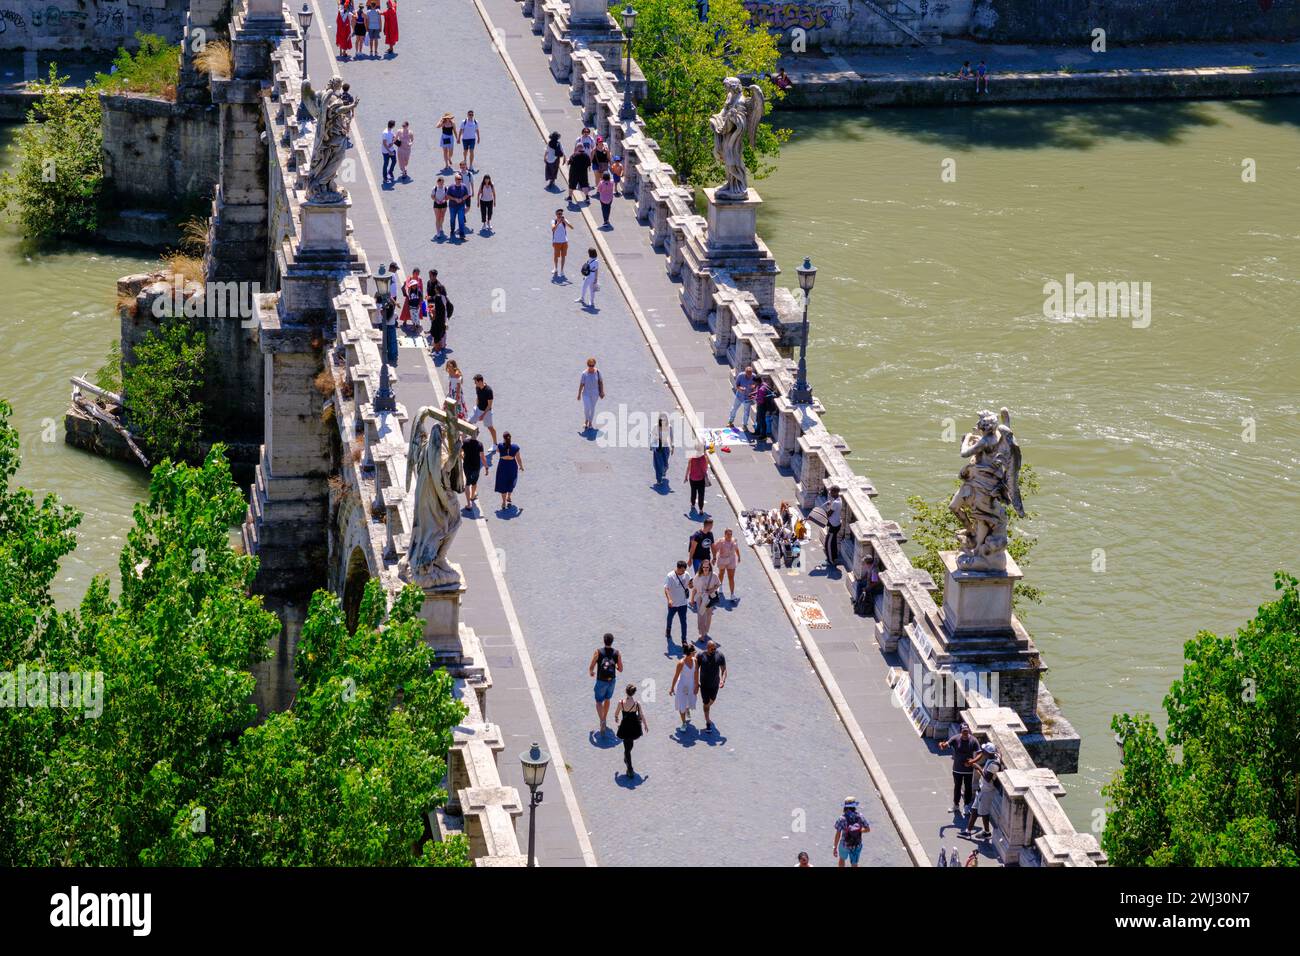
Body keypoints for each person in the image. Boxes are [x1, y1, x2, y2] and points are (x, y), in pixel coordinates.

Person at [938, 724, 981, 814]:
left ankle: (966, 806)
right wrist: (942, 745)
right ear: (960, 731)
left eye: (967, 731)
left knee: (968, 788)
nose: (965, 733)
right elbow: (946, 745)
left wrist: (972, 761)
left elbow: (980, 753)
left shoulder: (973, 740)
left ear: (969, 730)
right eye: (963, 731)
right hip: (957, 769)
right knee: (957, 787)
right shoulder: (955, 738)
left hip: (968, 770)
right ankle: (956, 805)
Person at [963, 743, 1001, 838]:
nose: (982, 752)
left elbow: (988, 778)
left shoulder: (993, 765)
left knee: (984, 813)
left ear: (988, 753)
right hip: (982, 789)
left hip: (987, 791)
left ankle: (987, 833)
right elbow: (1000, 753)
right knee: (974, 809)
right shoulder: (994, 757)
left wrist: (977, 767)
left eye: (984, 751)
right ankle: (968, 831)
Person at [588, 633, 623, 735]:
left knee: (599, 701)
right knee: (607, 699)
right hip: (611, 681)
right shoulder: (617, 653)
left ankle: (602, 720)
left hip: (601, 681)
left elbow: (591, 666)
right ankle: (604, 718)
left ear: (604, 641)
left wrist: (591, 672)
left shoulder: (598, 652)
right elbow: (621, 669)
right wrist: (615, 667)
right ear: (612, 641)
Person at [614, 684, 647, 777]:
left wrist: (616, 718)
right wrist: (645, 725)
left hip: (625, 726)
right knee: (629, 747)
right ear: (634, 693)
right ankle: (630, 769)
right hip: (634, 727)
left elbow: (616, 713)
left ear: (626, 692)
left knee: (628, 746)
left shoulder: (621, 703)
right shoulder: (637, 704)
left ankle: (626, 757)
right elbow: (642, 715)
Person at [696, 639, 726, 730]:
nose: (714, 650)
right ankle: (708, 721)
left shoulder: (720, 656)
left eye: (715, 648)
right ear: (707, 648)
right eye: (712, 649)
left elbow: (724, 669)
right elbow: (696, 669)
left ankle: (706, 708)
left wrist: (722, 680)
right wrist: (696, 681)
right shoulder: (701, 656)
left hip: (715, 684)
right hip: (704, 685)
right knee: (706, 704)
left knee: (711, 701)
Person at [832, 797, 870, 868]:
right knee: (854, 863)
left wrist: (835, 847)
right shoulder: (860, 816)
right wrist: (859, 830)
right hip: (856, 844)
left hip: (844, 844)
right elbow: (868, 829)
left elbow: (838, 834)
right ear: (854, 806)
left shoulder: (842, 818)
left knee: (842, 859)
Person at [690, 558, 721, 643]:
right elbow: (694, 589)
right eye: (704, 567)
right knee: (701, 616)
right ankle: (702, 634)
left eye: (707, 567)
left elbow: (718, 584)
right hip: (700, 598)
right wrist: (692, 599)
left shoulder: (714, 575)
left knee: (708, 615)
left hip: (710, 598)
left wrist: (712, 589)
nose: (705, 569)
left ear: (709, 567)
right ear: (701, 567)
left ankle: (706, 631)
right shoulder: (698, 576)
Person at [669, 644, 699, 729]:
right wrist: (671, 688)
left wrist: (697, 685)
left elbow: (696, 673)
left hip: (691, 685)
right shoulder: (681, 663)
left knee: (690, 700)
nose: (695, 653)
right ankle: (684, 723)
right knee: (682, 703)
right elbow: (676, 676)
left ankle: (687, 709)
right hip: (682, 686)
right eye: (694, 652)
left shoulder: (695, 660)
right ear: (689, 653)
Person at [664, 559, 691, 650]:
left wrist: (693, 584)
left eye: (684, 570)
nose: (684, 572)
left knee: (683, 622)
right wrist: (669, 599)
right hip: (673, 604)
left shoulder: (686, 574)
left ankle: (684, 640)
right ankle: (668, 629)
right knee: (670, 618)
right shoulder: (670, 576)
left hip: (683, 603)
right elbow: (666, 589)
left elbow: (690, 585)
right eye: (682, 570)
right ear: (678, 568)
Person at [461, 423, 487, 511]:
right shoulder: (480, 444)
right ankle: (472, 496)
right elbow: (483, 458)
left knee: (467, 483)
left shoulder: (465, 442)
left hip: (467, 465)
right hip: (476, 466)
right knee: (474, 482)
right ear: (477, 434)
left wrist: (462, 457)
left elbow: (459, 452)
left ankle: (469, 504)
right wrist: (486, 467)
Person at [494, 432, 522, 510]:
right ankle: (509, 497)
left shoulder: (500, 445)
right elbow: (518, 459)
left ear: (504, 438)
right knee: (511, 481)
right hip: (512, 465)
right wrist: (521, 466)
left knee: (503, 483)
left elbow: (497, 451)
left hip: (503, 465)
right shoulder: (515, 447)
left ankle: (503, 502)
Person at [576, 357, 604, 430]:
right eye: (590, 365)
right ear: (587, 365)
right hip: (586, 393)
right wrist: (579, 394)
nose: (591, 367)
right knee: (587, 407)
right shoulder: (584, 374)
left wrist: (602, 391)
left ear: (594, 365)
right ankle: (586, 420)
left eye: (592, 365)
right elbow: (581, 384)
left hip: (595, 393)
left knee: (592, 408)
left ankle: (590, 422)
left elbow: (600, 382)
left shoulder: (598, 372)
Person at [713, 528, 740, 599]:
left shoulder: (734, 540)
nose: (730, 536)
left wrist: (739, 556)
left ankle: (732, 594)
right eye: (728, 534)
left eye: (731, 534)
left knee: (731, 577)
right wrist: (714, 558)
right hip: (722, 560)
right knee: (721, 573)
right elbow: (715, 549)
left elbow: (736, 549)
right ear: (725, 534)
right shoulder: (721, 541)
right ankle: (720, 586)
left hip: (731, 560)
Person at [728, 365, 756, 431]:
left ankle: (744, 425)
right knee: (734, 409)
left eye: (750, 374)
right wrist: (740, 388)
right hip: (739, 396)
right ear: (745, 372)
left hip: (748, 397)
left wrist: (754, 386)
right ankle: (730, 422)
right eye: (748, 374)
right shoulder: (740, 375)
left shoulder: (754, 376)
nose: (749, 376)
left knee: (746, 412)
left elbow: (757, 384)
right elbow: (737, 385)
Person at [470, 374, 497, 445]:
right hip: (478, 409)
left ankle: (495, 444)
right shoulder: (477, 388)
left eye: (475, 382)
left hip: (486, 412)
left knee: (490, 428)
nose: (474, 383)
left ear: (480, 381)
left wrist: (483, 415)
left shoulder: (489, 390)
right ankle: (463, 440)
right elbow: (478, 397)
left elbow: (489, 405)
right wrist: (476, 407)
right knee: (468, 422)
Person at [428, 279, 452, 353]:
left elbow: (436, 311)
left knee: (437, 335)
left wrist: (431, 314)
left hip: (438, 318)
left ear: (437, 290)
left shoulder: (437, 298)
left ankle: (437, 348)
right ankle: (442, 345)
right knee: (442, 332)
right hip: (443, 316)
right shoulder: (444, 297)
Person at [446, 173, 471, 240]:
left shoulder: (464, 186)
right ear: (455, 179)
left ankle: (462, 234)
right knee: (452, 219)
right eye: (458, 179)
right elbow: (447, 196)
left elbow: (467, 195)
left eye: (461, 179)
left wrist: (462, 199)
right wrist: (455, 199)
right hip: (452, 206)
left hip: (461, 206)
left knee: (461, 220)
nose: (460, 180)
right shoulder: (451, 187)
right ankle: (452, 230)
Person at [685, 445, 709, 515]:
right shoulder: (704, 458)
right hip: (701, 479)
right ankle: (701, 509)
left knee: (693, 492)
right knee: (701, 494)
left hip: (692, 479)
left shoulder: (692, 458)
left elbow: (688, 468)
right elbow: (706, 468)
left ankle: (693, 504)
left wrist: (686, 476)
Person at [824, 485, 843, 568]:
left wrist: (824, 510)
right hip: (837, 523)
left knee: (828, 544)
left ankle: (830, 561)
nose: (830, 493)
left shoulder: (835, 503)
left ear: (835, 492)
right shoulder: (838, 499)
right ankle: (834, 557)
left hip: (833, 525)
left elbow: (829, 514)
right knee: (833, 542)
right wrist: (830, 504)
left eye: (831, 491)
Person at [652, 412, 672, 485]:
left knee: (665, 464)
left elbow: (671, 436)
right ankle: (659, 479)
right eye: (661, 420)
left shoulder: (669, 427)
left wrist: (672, 446)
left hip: (665, 447)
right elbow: (652, 435)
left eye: (664, 420)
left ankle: (664, 470)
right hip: (657, 447)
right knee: (658, 464)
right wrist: (652, 445)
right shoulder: (656, 426)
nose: (662, 421)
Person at [550, 209, 570, 279]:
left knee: (563, 256)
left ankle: (562, 270)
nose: (560, 215)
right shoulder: (553, 221)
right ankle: (555, 268)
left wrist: (565, 221)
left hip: (564, 241)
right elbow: (553, 229)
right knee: (556, 256)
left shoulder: (564, 220)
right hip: (556, 242)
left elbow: (571, 227)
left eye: (561, 214)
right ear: (556, 214)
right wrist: (558, 223)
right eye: (558, 214)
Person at [380, 120, 398, 184]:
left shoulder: (391, 131)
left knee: (394, 161)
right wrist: (389, 151)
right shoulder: (385, 133)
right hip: (386, 151)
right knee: (386, 164)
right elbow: (384, 143)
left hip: (391, 149)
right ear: (393, 125)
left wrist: (392, 142)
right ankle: (385, 178)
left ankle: (390, 171)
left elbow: (393, 138)